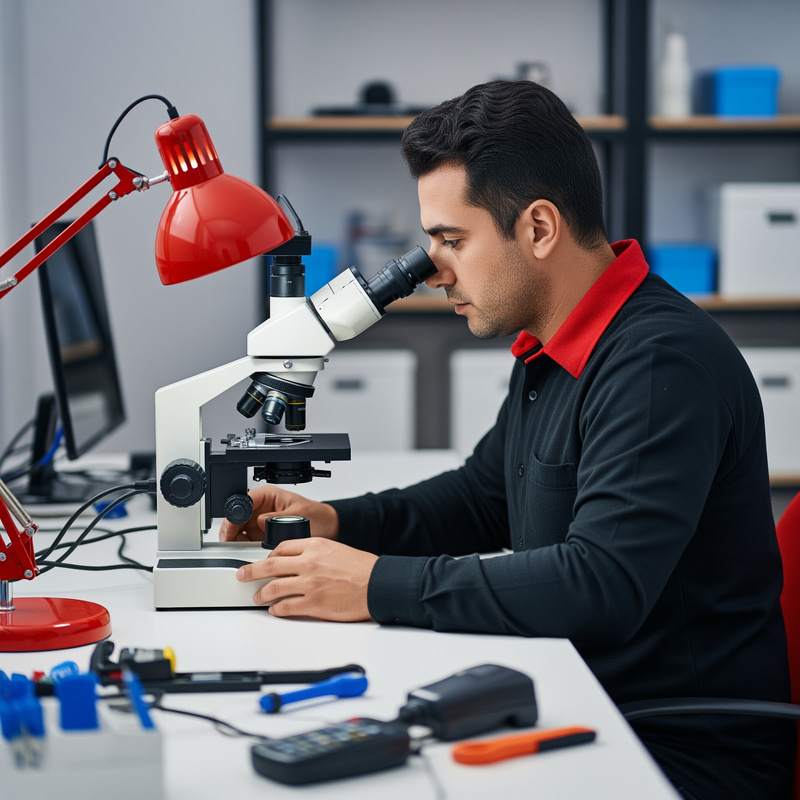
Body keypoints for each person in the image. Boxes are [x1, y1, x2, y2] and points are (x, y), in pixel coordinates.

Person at [220, 80, 794, 799]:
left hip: (678, 750)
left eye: (452, 240)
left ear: (540, 229)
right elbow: (485, 496)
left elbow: (600, 584)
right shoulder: (553, 348)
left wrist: (372, 584)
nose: (433, 272)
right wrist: (338, 522)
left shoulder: (657, 363)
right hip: (589, 697)